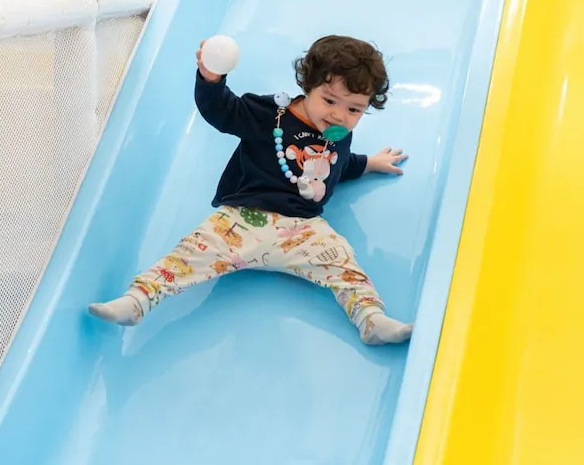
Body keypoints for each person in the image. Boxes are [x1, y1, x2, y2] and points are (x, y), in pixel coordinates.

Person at [89, 35, 414, 346]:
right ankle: (137, 300)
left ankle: (370, 320)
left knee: (343, 260)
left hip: (302, 230)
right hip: (242, 219)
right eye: (329, 100)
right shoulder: (271, 115)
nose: (339, 115)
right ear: (308, 86)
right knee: (189, 254)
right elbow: (224, 111)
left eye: (354, 109)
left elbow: (336, 165)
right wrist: (212, 80)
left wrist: (370, 163)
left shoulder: (338, 133)